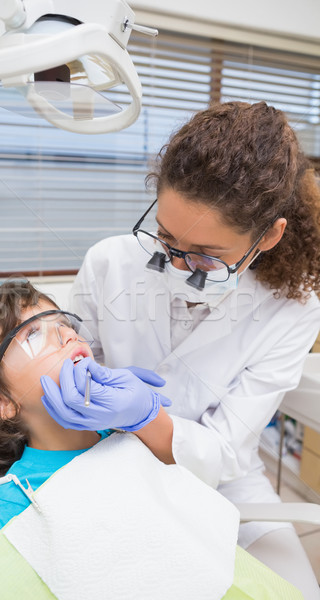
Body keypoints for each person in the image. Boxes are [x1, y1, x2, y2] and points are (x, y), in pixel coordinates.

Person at [41, 101, 320, 599]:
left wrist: (148, 417)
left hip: (221, 479)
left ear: (270, 235)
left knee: (291, 589)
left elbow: (228, 447)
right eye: (166, 240)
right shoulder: (108, 262)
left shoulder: (293, 310)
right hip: (102, 456)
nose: (176, 266)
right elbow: (74, 357)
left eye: (208, 257)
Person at [0, 280, 169, 565]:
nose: (68, 336)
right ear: (0, 403)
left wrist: (150, 420)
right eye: (34, 336)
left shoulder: (134, 437)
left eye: (65, 324)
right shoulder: (10, 509)